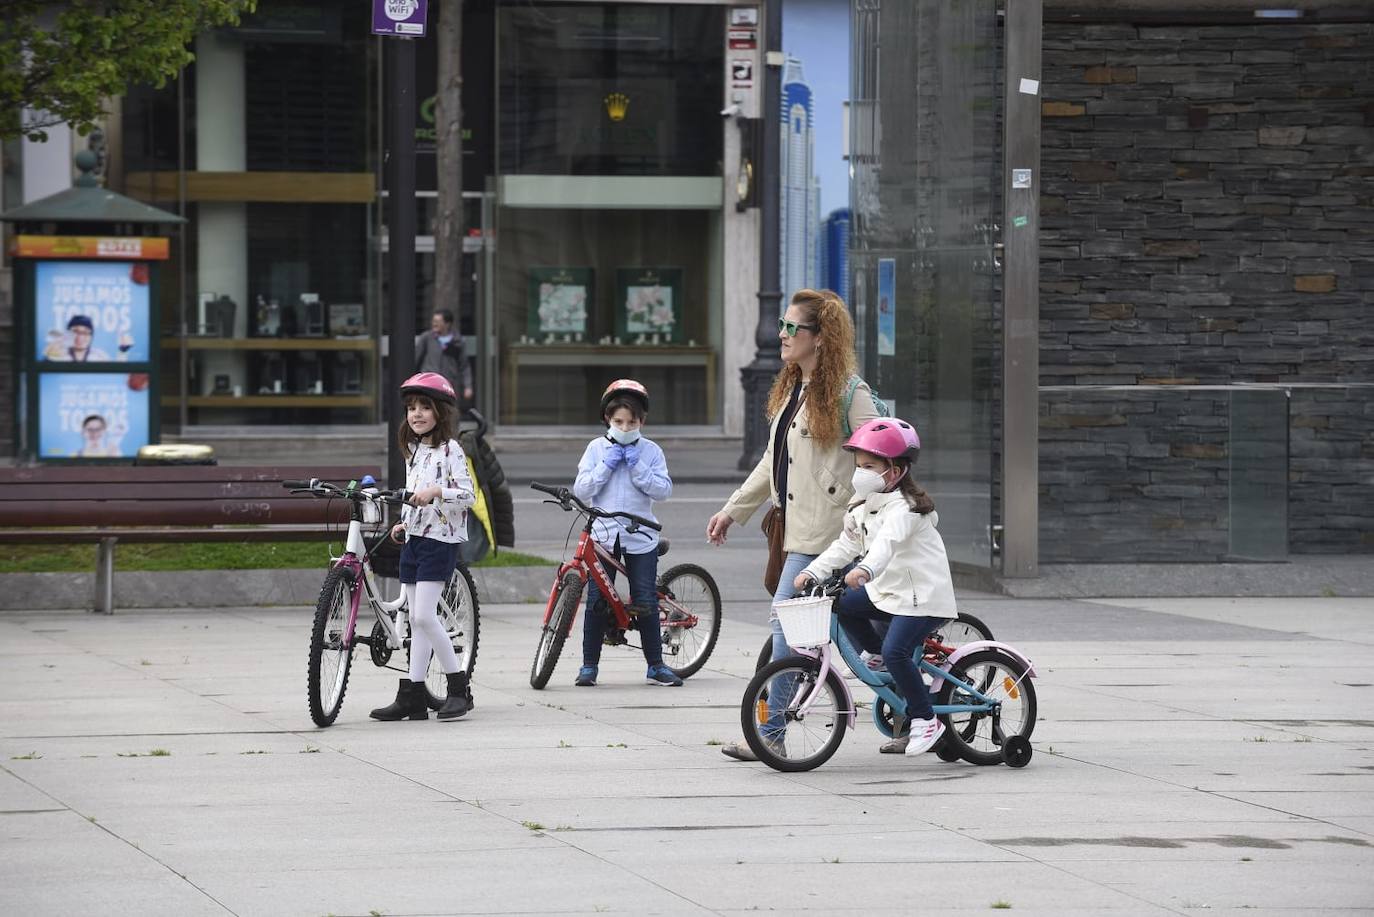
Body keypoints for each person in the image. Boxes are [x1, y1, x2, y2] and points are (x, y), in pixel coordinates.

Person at [705, 289, 880, 760]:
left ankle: (771, 734)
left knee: (787, 625)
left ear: (820, 338)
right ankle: (906, 696)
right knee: (858, 633)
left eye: (791, 328)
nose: (781, 336)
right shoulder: (794, 389)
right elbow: (772, 461)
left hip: (830, 536)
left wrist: (863, 514)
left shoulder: (848, 393)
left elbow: (884, 454)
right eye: (781, 326)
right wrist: (733, 510)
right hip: (795, 529)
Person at [795, 417, 956, 757]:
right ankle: (878, 653)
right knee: (843, 604)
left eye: (869, 466)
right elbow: (845, 545)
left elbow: (887, 545)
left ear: (895, 471)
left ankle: (927, 720)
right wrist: (812, 571)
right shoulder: (863, 505)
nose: (860, 473)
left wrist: (865, 570)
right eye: (858, 465)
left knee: (899, 651)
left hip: (922, 597)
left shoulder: (907, 509)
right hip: (890, 592)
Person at [370, 371, 477, 723]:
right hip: (415, 539)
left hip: (439, 542)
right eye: (411, 408)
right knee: (417, 622)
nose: (416, 414)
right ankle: (414, 694)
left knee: (422, 616)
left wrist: (437, 493)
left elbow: (468, 496)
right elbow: (412, 492)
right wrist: (402, 522)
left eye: (424, 408)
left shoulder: (451, 450)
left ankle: (459, 689)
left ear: (440, 413)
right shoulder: (413, 450)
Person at [572, 379, 680, 687]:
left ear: (641, 422)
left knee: (644, 599)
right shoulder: (596, 448)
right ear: (608, 419)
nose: (625, 426)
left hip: (640, 535)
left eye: (631, 422)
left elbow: (663, 491)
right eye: (619, 421)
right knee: (596, 600)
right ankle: (589, 666)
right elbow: (582, 488)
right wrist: (605, 466)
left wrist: (638, 469)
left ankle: (656, 665)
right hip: (604, 535)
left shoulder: (651, 451)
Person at [415, 309, 474, 407]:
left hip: (448, 385)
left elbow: (464, 366)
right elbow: (416, 359)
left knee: (449, 414)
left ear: (447, 324)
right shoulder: (426, 338)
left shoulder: (458, 341)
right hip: (429, 384)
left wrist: (468, 386)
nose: (434, 324)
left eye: (438, 322)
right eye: (433, 321)